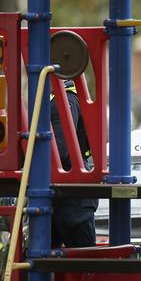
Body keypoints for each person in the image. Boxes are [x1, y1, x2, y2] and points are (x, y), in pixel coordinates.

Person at [50, 79, 97, 248]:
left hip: (73, 206)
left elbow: (59, 150)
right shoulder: (63, 99)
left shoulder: (64, 101)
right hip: (62, 201)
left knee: (84, 267)